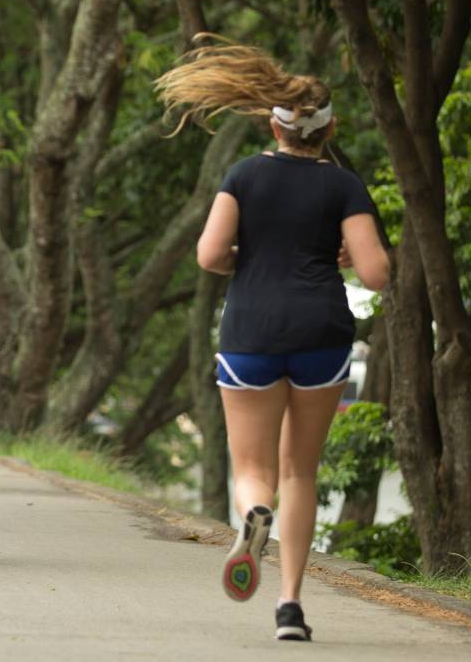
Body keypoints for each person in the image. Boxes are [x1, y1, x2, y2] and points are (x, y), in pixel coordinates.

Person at [155, 39, 390, 641]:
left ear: (272, 121)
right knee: (301, 472)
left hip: (251, 332)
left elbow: (209, 255)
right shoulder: (343, 186)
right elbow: (376, 274)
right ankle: (289, 605)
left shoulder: (244, 175)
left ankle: (253, 515)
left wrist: (249, 256)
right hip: (321, 333)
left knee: (253, 465)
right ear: (329, 127)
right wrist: (335, 255)